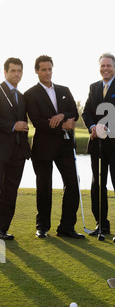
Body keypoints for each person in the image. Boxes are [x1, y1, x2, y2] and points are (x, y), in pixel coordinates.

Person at [24, 55, 84, 239]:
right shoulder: (30, 94)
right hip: (43, 147)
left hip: (66, 146)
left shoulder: (64, 90)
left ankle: (66, 227)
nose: (47, 72)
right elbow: (38, 121)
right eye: (43, 69)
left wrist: (61, 116)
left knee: (73, 184)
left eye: (50, 69)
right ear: (36, 71)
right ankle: (42, 226)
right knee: (44, 186)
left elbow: (74, 112)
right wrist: (62, 125)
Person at [82, 53, 115, 243]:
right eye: (102, 66)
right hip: (97, 145)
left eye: (109, 66)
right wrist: (93, 127)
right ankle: (102, 224)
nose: (105, 68)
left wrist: (106, 128)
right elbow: (86, 112)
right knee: (97, 184)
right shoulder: (93, 87)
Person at [0, 58, 31, 240]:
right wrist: (13, 126)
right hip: (1, 151)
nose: (16, 74)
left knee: (11, 191)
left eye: (19, 71)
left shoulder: (22, 96)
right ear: (5, 72)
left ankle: (3, 229)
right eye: (13, 71)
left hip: (18, 153)